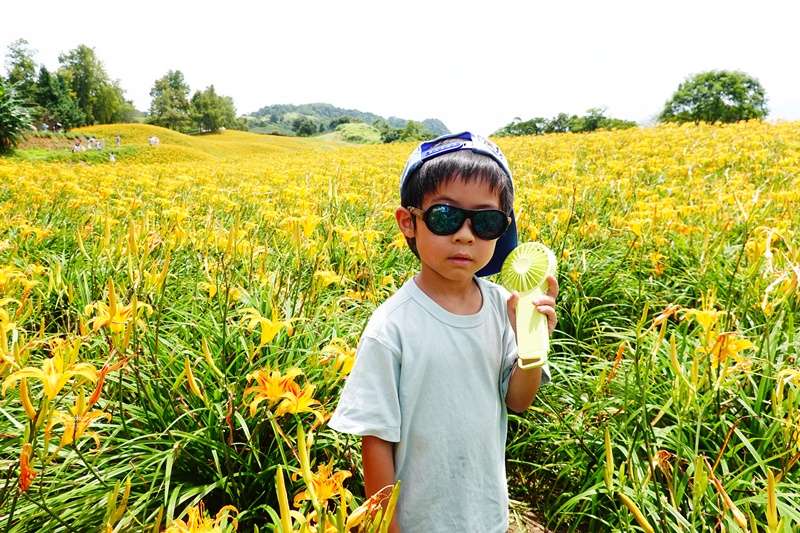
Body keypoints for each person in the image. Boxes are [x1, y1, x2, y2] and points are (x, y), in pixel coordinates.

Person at [328, 132, 559, 532]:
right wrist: (388, 527)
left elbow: (518, 401)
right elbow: (376, 441)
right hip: (418, 521)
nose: (465, 235)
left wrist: (530, 347)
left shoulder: (505, 305)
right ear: (409, 222)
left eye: (485, 221)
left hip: (486, 514)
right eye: (446, 216)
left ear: (501, 231)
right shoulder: (392, 325)